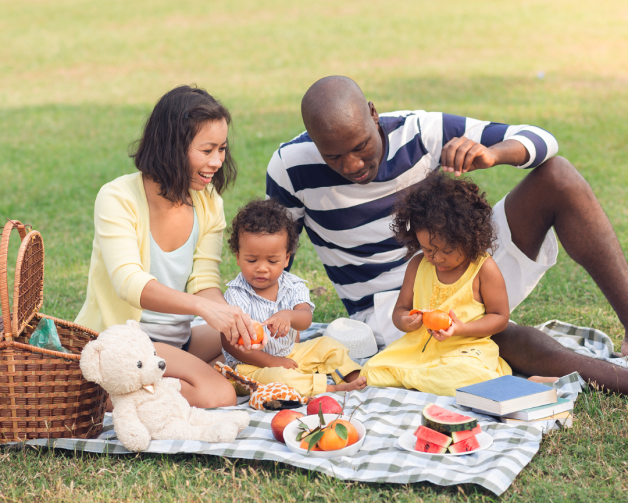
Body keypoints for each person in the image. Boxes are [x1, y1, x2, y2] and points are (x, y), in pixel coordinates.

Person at [267, 75, 628, 394]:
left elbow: (543, 140)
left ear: (373, 114)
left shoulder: (419, 132)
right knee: (491, 340)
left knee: (558, 176)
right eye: (333, 156)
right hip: (392, 312)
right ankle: (618, 381)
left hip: (459, 262)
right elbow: (276, 261)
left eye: (361, 146)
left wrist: (493, 153)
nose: (352, 165)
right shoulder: (290, 167)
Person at [76, 85, 262, 409]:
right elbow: (128, 282)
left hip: (175, 339)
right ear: (172, 147)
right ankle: (104, 393)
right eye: (207, 150)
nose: (218, 161)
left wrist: (227, 315)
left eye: (222, 149)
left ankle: (145, 385)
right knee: (219, 394)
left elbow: (204, 281)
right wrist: (202, 309)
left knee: (242, 347)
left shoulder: (209, 203)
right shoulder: (117, 198)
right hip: (125, 343)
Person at [361, 171, 555, 396]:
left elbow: (499, 318)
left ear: (469, 238)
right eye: (428, 249)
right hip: (418, 350)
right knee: (371, 371)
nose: (437, 258)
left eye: (447, 250)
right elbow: (400, 310)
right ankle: (424, 378)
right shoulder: (418, 265)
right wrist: (406, 321)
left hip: (465, 350)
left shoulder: (483, 268)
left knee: (467, 376)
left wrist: (461, 329)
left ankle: (522, 383)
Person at [220, 198, 367, 396]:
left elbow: (305, 319)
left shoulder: (293, 285)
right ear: (238, 256)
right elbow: (228, 342)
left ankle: (352, 375)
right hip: (252, 367)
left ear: (287, 258)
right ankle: (330, 388)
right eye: (251, 260)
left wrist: (289, 316)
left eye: (272, 261)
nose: (262, 268)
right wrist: (272, 362)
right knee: (280, 380)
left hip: (292, 353)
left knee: (328, 345)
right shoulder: (236, 295)